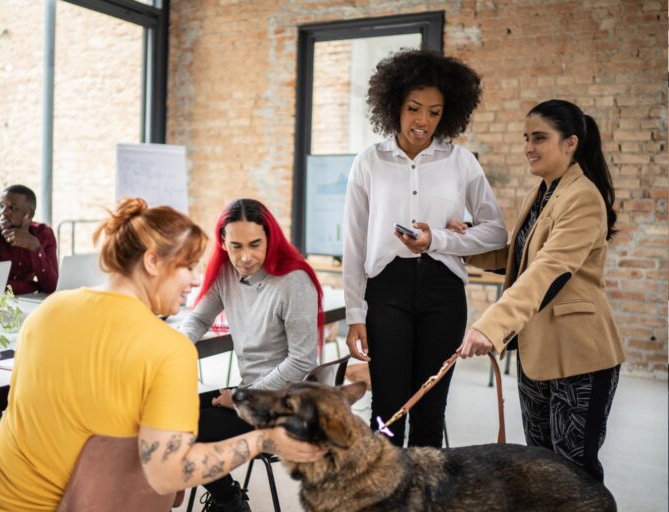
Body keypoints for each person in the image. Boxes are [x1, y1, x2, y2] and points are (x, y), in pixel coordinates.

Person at [0, 198, 325, 511]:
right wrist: (264, 439)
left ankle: (228, 500)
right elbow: (167, 471)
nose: (196, 279)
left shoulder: (50, 308)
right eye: (187, 266)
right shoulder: (167, 350)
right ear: (153, 263)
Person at [342, 48, 508, 448]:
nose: (423, 121)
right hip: (387, 292)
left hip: (443, 293)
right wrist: (354, 314)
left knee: (430, 410)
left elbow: (497, 232)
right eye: (415, 108)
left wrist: (441, 239)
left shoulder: (461, 162)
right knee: (387, 408)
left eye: (434, 112)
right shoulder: (369, 161)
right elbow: (354, 241)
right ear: (394, 104)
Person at [456, 99, 625, 482]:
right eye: (526, 138)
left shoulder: (582, 197)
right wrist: (458, 243)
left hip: (581, 355)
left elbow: (547, 271)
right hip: (538, 353)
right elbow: (520, 256)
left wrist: (490, 326)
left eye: (539, 138)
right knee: (541, 466)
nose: (528, 147)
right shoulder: (545, 191)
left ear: (570, 143)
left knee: (574, 471)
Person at [180, 198, 324, 512]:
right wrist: (175, 346)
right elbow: (199, 318)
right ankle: (229, 499)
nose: (246, 257)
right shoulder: (227, 276)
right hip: (251, 394)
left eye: (255, 244)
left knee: (189, 431)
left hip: (286, 407)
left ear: (270, 238)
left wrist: (245, 398)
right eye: (236, 246)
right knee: (171, 414)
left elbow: (302, 360)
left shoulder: (294, 282)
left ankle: (228, 502)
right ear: (222, 243)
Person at [0, 184, 58, 295]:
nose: (3, 212)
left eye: (12, 208)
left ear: (29, 214)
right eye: (1, 206)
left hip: (24, 302)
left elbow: (52, 287)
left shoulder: (44, 233)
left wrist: (35, 247)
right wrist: (34, 286)